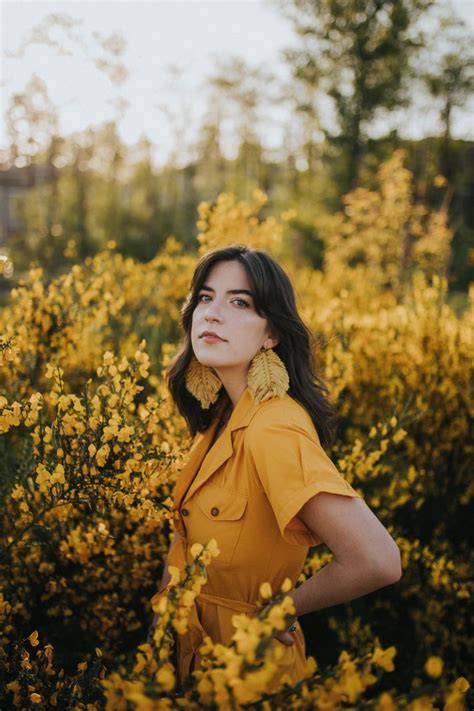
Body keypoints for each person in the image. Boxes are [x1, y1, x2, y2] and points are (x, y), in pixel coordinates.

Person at [148, 244, 401, 691]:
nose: (212, 313)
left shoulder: (274, 427)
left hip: (251, 677)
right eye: (205, 298)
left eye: (239, 302)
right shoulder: (220, 418)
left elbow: (378, 560)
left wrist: (282, 610)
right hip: (188, 665)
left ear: (271, 335)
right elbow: (184, 536)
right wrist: (156, 647)